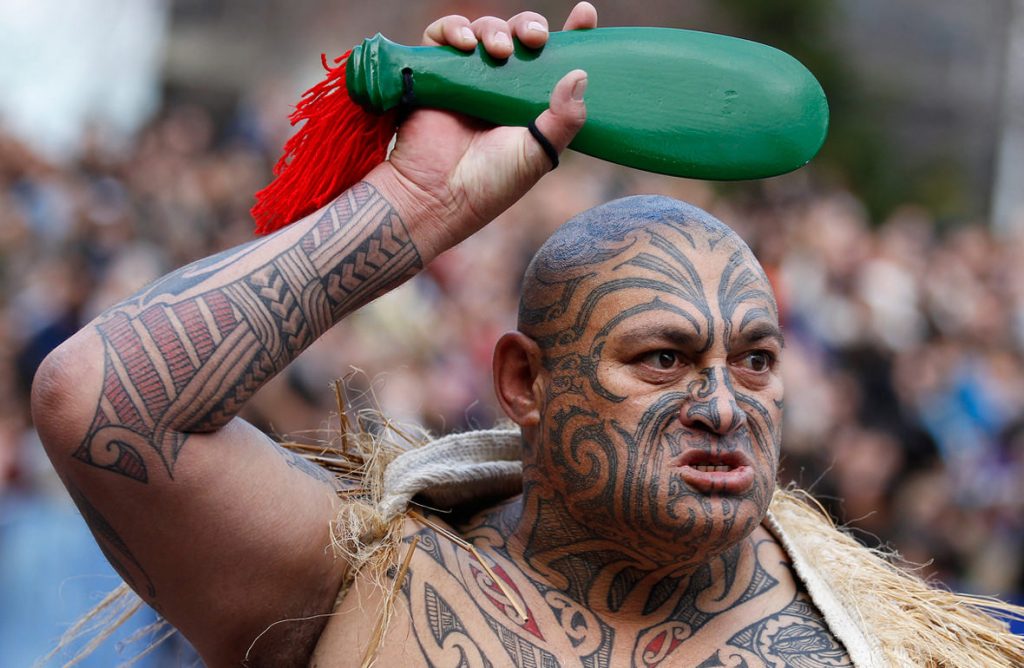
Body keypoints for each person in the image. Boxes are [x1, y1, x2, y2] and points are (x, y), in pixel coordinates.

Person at [30, 4, 1024, 667]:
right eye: (664, 358)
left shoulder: (894, 643)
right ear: (524, 381)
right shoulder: (361, 586)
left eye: (755, 360)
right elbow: (103, 403)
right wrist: (413, 203)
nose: (722, 405)